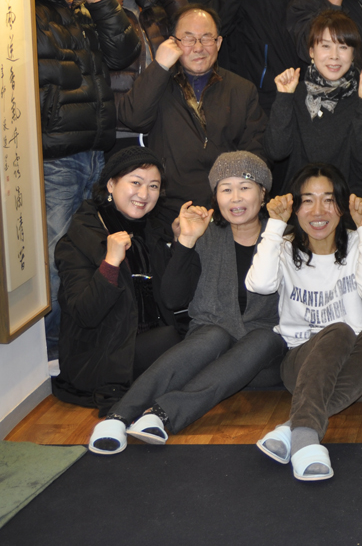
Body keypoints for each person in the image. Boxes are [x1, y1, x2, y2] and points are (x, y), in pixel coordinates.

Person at [86, 152, 287, 455]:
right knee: (215, 334)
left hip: (261, 360)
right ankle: (118, 417)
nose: (235, 197)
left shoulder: (284, 237)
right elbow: (172, 298)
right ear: (216, 197)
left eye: (245, 187)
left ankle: (161, 414)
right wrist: (187, 242)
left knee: (266, 337)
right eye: (226, 189)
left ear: (263, 194)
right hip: (208, 347)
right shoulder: (206, 234)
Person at [34, 0, 142, 357]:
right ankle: (52, 350)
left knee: (95, 251)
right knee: (57, 255)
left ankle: (85, 346)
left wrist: (103, 5)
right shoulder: (27, 5)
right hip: (57, 157)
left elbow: (123, 53)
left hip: (97, 153)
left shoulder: (83, 11)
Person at [248, 163, 362, 482]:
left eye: (328, 200)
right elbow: (260, 284)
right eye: (307, 200)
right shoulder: (284, 246)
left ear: (342, 207)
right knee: (338, 331)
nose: (318, 211)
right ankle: (305, 441)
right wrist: (275, 225)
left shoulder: (359, 242)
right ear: (295, 208)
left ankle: (293, 426)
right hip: (304, 365)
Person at [52, 148, 191, 412]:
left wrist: (180, 243)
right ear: (111, 184)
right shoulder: (80, 239)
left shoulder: (151, 232)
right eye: (135, 182)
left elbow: (174, 298)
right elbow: (85, 314)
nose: (144, 194)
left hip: (144, 342)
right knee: (176, 343)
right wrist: (110, 263)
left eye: (153, 186)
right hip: (100, 355)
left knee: (205, 339)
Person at [116, 4, 267, 225]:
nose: (198, 47)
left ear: (219, 43)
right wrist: (159, 66)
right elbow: (132, 118)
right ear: (173, 42)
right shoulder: (159, 82)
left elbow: (254, 154)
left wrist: (232, 200)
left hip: (225, 209)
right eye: (188, 39)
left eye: (207, 38)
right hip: (168, 208)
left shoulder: (242, 90)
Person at [267, 10, 362, 207]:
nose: (334, 56)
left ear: (353, 53)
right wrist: (284, 97)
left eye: (343, 47)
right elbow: (276, 151)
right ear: (311, 51)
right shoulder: (294, 92)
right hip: (300, 200)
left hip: (350, 201)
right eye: (326, 46)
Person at [102, 0, 187, 153]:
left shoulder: (152, 11)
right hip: (118, 129)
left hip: (158, 126)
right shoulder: (97, 6)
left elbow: (189, 32)